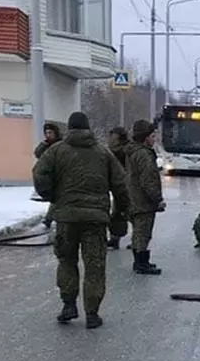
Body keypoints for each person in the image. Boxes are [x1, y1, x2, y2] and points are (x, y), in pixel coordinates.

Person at [32, 112, 129, 329]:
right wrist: (121, 211)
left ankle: (69, 305)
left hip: (66, 218)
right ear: (88, 128)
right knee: (94, 266)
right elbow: (121, 184)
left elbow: (39, 174)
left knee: (67, 261)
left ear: (69, 128)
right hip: (95, 220)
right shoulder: (103, 153)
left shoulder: (57, 151)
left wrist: (51, 195)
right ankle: (92, 314)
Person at [126, 119, 165, 275]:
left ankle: (140, 261)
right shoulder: (144, 154)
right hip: (143, 201)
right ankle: (141, 263)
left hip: (133, 197)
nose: (154, 139)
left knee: (138, 232)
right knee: (143, 232)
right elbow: (148, 179)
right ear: (145, 137)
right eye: (152, 136)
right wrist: (157, 199)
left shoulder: (132, 151)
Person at [34, 123, 62, 229]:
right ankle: (50, 219)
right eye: (46, 133)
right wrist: (44, 144)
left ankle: (49, 219)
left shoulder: (61, 144)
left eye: (50, 133)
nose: (48, 135)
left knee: (57, 198)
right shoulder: (46, 145)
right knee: (55, 198)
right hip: (50, 176)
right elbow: (37, 154)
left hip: (60, 175)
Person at [107, 127, 130, 250]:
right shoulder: (111, 151)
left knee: (129, 214)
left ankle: (138, 240)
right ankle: (115, 238)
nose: (110, 140)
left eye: (113, 137)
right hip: (117, 186)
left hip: (128, 185)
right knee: (117, 214)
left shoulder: (126, 150)